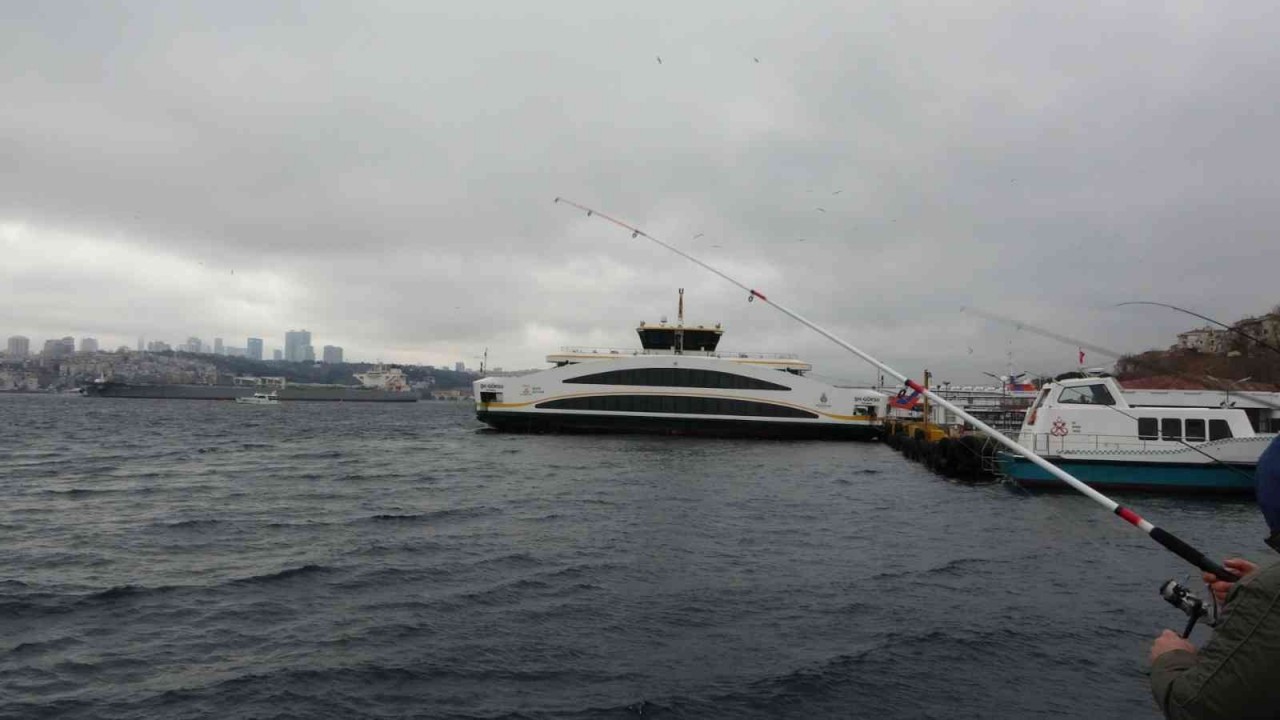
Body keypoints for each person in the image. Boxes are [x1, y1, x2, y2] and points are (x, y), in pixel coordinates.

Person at [1149, 434, 1280, 718]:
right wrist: (1257, 586)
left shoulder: (1272, 589)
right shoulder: (1268, 587)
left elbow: (1195, 708)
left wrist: (1171, 658)